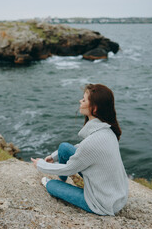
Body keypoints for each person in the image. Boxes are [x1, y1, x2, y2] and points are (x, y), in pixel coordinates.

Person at [31, 84, 128, 216]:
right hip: (115, 194)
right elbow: (83, 149)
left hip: (102, 203)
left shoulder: (94, 141)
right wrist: (55, 157)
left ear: (94, 108)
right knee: (64, 148)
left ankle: (58, 184)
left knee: (52, 185)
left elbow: (70, 168)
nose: (80, 101)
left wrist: (41, 165)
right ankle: (63, 181)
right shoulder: (108, 131)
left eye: (84, 99)